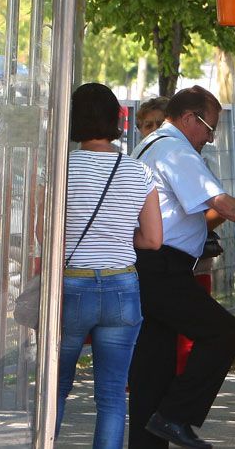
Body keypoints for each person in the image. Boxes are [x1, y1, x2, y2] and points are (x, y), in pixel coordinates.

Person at [129, 85, 235, 449]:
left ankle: (150, 437)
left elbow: (201, 212)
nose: (210, 137)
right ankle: (175, 416)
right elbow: (221, 204)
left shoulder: (152, 145)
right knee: (225, 333)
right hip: (160, 266)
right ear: (188, 118)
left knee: (152, 370)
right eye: (208, 126)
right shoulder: (175, 150)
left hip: (153, 266)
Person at [57, 83, 163, 449]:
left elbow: (43, 230)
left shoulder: (59, 168)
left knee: (56, 388)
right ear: (117, 119)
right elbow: (153, 239)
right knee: (112, 396)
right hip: (122, 289)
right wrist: (118, 237)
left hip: (71, 287)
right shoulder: (138, 172)